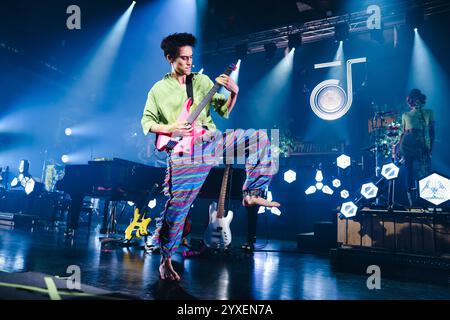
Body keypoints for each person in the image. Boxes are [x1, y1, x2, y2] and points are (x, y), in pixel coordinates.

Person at [141, 33, 280, 281]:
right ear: (169, 58)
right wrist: (171, 128)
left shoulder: (202, 81)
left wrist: (234, 93)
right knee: (177, 210)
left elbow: (224, 111)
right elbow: (147, 122)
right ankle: (165, 261)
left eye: (191, 57)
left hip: (210, 142)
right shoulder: (159, 89)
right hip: (184, 153)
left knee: (261, 139)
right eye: (183, 58)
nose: (189, 62)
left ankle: (252, 194)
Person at [398, 88, 435, 206]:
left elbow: (432, 131)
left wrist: (430, 147)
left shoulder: (428, 112)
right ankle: (411, 201)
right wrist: (397, 147)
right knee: (409, 171)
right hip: (407, 143)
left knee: (424, 171)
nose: (410, 102)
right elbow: (402, 132)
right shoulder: (405, 114)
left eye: (412, 99)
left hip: (421, 143)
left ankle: (424, 199)